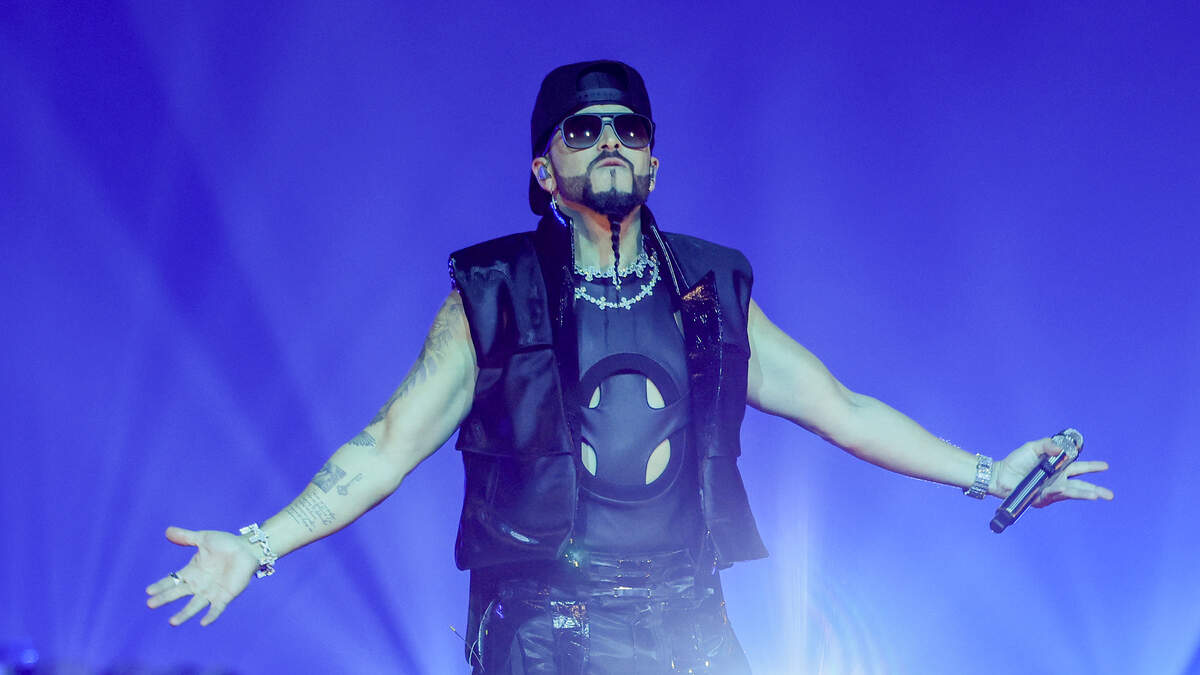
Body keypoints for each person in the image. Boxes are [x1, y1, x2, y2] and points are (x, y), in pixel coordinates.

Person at [146, 60, 1113, 673]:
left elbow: (841, 408)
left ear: (653, 163)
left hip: (691, 620)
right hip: (545, 629)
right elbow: (386, 446)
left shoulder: (709, 286)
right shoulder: (492, 291)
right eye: (582, 129)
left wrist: (989, 471)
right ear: (544, 170)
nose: (610, 140)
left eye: (629, 128)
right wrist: (257, 544)